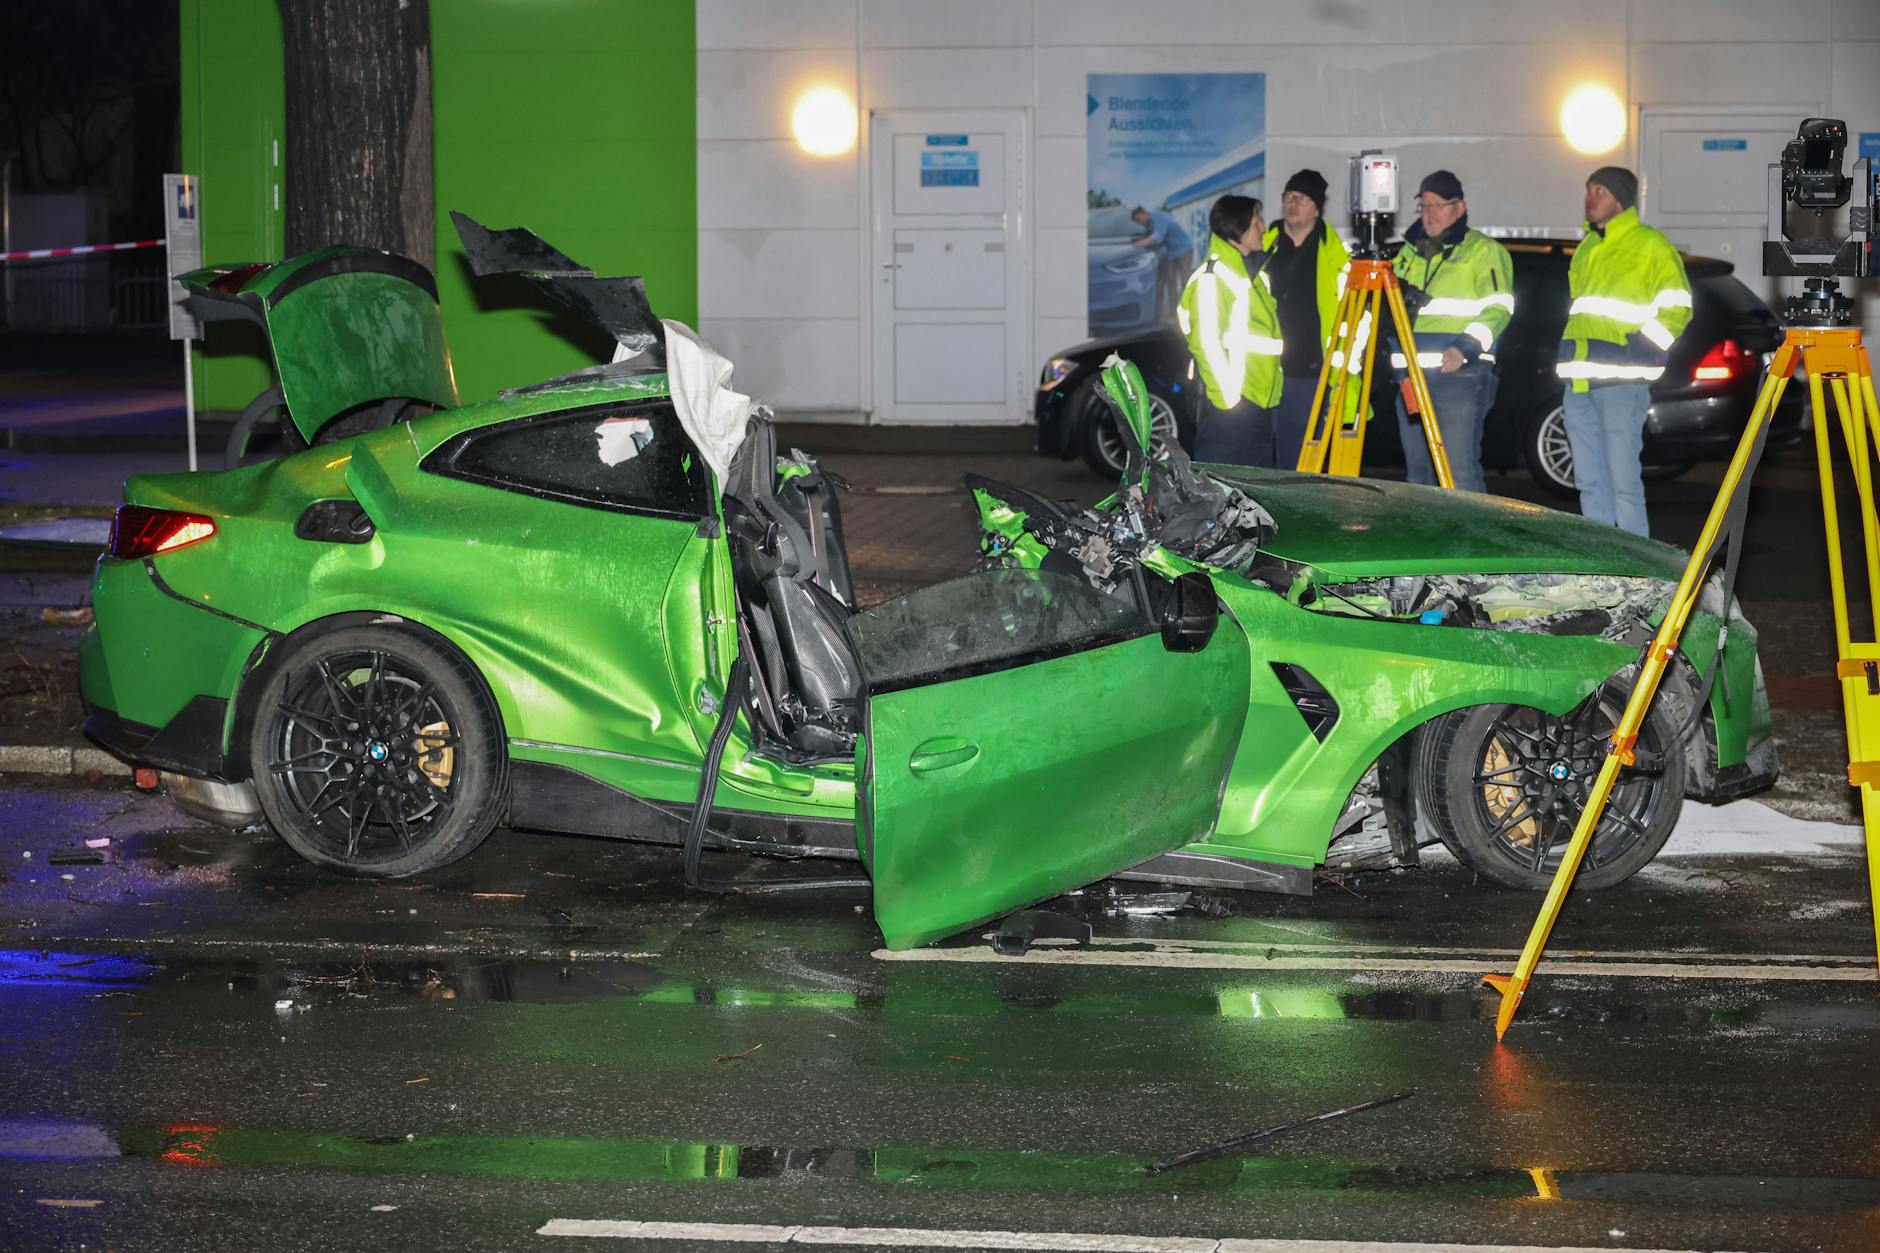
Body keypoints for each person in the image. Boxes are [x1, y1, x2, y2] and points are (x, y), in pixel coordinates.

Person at [1555, 166, 1691, 537]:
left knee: (1623, 484)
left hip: (1621, 382)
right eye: (1588, 189)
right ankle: (1600, 561)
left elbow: (1678, 307)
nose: (1590, 197)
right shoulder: (1587, 247)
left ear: (1621, 198)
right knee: (1589, 482)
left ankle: (1637, 565)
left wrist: (1639, 349)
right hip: (1580, 380)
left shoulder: (1650, 244)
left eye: (1600, 190)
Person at [1388, 170, 1514, 493]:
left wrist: (1465, 348)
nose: (1430, 214)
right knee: (1418, 479)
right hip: (1411, 380)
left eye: (1439, 205)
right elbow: (1389, 312)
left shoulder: (1483, 251)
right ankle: (1424, 530)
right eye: (1424, 205)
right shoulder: (1408, 253)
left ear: (1460, 207)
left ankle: (1472, 530)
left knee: (1459, 477)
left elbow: (1500, 308)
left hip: (1459, 377)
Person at [1177, 195, 1284, 466]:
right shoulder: (1212, 278)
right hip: (1231, 412)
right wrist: (1229, 401)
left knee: (1253, 489)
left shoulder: (1253, 275)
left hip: (1259, 404)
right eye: (1256, 222)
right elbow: (1206, 342)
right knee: (1221, 487)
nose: (1263, 228)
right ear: (1237, 230)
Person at [1262, 169, 1354, 468]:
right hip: (1263, 371)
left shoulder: (1337, 254)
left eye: (1301, 198)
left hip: (1310, 371)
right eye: (1289, 196)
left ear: (1316, 208)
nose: (1292, 203)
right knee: (1261, 459)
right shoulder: (1263, 247)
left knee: (1302, 462)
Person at [1129, 205, 1193, 323]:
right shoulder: (1148, 225)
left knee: (1185, 280)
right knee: (1170, 281)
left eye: (1139, 219)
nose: (1140, 223)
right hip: (1172, 253)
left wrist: (1142, 243)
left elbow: (1157, 238)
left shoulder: (1158, 217)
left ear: (1144, 213)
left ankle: (1191, 310)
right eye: (1137, 222)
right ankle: (1174, 313)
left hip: (1184, 249)